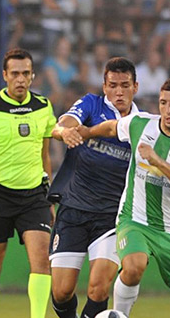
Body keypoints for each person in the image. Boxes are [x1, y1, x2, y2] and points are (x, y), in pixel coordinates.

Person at [70, 77, 170, 318]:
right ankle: (119, 315)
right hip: (134, 219)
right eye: (163, 102)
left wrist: (157, 161)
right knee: (133, 266)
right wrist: (87, 131)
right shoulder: (141, 123)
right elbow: (113, 127)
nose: (168, 109)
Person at [47, 57, 140, 318]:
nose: (118, 92)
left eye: (125, 85)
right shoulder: (91, 104)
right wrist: (64, 132)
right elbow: (65, 122)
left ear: (136, 86)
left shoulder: (141, 124)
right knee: (62, 292)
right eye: (112, 85)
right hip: (74, 210)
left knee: (99, 289)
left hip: (112, 216)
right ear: (104, 85)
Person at [0, 48, 56, 318]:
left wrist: (49, 197)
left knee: (41, 261)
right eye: (15, 73)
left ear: (32, 76)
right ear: (5, 75)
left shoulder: (43, 106)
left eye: (25, 73)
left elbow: (44, 155)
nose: (20, 79)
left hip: (34, 197)